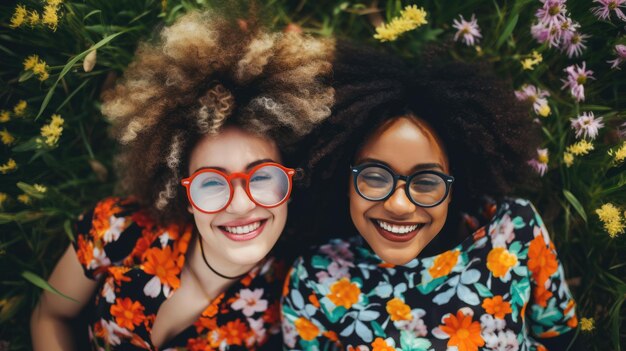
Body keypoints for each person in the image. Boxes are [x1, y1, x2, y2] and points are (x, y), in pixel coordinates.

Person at [30, 9, 334, 351]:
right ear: (185, 194)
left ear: (290, 184)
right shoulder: (117, 228)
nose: (241, 203)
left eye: (262, 177)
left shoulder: (292, 303)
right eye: (212, 182)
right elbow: (51, 316)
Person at [281, 42, 581, 351]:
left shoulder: (515, 230)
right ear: (345, 179)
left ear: (455, 187)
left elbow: (560, 337)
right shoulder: (316, 279)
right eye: (374, 176)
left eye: (426, 181)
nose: (398, 204)